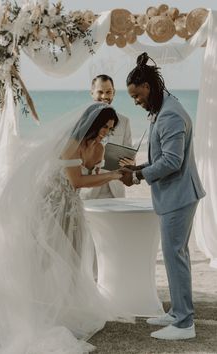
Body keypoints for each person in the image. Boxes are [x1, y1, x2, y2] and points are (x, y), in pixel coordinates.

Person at [0, 103, 133, 354]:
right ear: (93, 124)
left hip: (72, 208)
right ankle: (33, 307)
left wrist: (115, 165)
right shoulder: (70, 143)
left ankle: (64, 308)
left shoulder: (97, 147)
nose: (107, 132)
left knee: (72, 258)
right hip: (51, 206)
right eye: (104, 127)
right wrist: (115, 175)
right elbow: (76, 181)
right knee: (44, 258)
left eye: (110, 128)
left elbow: (91, 172)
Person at [121, 53, 206, 340]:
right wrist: (140, 167)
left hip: (179, 196)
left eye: (136, 95)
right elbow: (164, 157)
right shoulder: (165, 107)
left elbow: (171, 161)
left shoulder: (169, 113)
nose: (136, 101)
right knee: (174, 256)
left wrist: (138, 175)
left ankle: (184, 323)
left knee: (175, 256)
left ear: (146, 86)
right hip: (176, 195)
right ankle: (177, 311)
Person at [80, 74, 134, 199]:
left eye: (108, 92)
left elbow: (130, 156)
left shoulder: (124, 121)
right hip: (88, 192)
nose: (104, 96)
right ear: (92, 93)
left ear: (114, 93)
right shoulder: (82, 121)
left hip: (115, 192)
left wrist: (131, 163)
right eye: (100, 92)